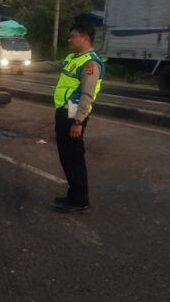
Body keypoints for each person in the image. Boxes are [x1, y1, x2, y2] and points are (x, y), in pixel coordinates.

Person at [52, 24, 105, 213]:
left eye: (73, 36)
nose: (69, 40)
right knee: (66, 155)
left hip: (74, 113)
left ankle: (80, 200)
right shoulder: (73, 58)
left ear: (85, 38)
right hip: (64, 109)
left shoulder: (90, 63)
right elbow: (53, 65)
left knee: (74, 157)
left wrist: (78, 122)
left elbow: (87, 95)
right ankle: (73, 193)